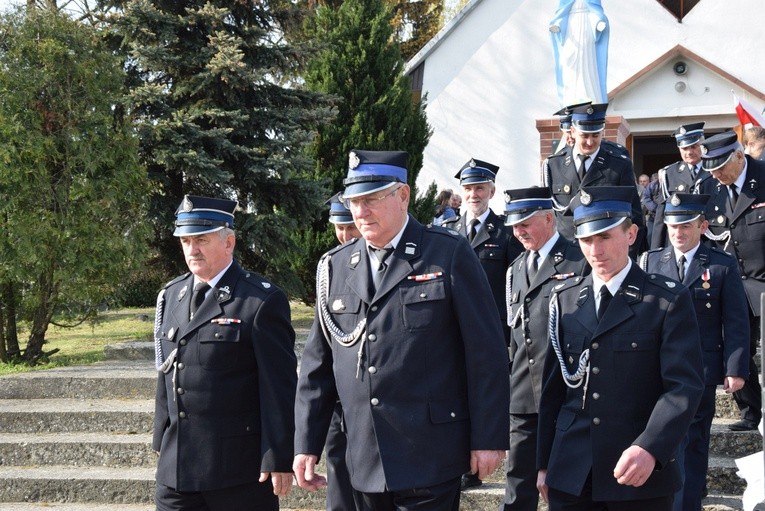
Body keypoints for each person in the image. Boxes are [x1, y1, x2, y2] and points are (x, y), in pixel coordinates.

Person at [294, 150, 510, 511]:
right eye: (354, 202)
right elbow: (318, 366)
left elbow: (485, 352)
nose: (360, 212)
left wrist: (488, 438)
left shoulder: (446, 253)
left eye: (371, 200)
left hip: (429, 451)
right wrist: (305, 443)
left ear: (403, 196)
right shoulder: (336, 267)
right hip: (360, 451)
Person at [536, 186, 704, 510]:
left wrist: (651, 447)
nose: (595, 250)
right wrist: (544, 463)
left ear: (631, 234)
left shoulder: (666, 300)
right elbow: (553, 391)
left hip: (638, 471)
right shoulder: (565, 298)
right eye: (586, 240)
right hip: (571, 472)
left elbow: (683, 387)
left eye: (605, 237)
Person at [152, 195, 297, 511]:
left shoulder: (259, 301)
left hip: (238, 472)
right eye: (186, 240)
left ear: (228, 241)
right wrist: (160, 440)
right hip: (176, 470)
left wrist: (278, 455)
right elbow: (165, 372)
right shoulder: (171, 296)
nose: (192, 249)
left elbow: (279, 388)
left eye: (201, 239)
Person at [639, 193, 749, 511]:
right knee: (665, 438)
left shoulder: (720, 265)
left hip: (700, 368)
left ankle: (686, 503)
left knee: (693, 440)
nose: (678, 232)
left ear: (702, 226)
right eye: (673, 225)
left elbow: (736, 321)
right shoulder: (651, 261)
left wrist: (735, 367)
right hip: (658, 368)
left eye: (685, 226)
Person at [501, 187, 589, 511]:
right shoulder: (515, 269)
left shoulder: (579, 260)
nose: (518, 231)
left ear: (549, 218)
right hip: (524, 398)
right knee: (517, 490)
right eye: (514, 225)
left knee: (564, 492)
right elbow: (512, 337)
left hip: (566, 394)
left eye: (525, 223)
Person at [442, 158, 523, 491]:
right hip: (452, 332)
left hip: (492, 331)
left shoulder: (505, 233)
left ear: (491, 191)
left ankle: (485, 464)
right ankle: (461, 465)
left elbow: (517, 283)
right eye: (469, 188)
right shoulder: (446, 233)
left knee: (486, 397)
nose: (474, 194)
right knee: (456, 398)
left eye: (480, 188)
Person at [700, 131, 765, 431]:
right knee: (735, 349)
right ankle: (751, 411)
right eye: (710, 168)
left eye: (720, 167)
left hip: (763, 282)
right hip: (734, 285)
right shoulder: (711, 190)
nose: (716, 174)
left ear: (739, 156)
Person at [543, 103, 646, 257]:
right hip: (567, 256)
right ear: (572, 131)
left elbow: (634, 216)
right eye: (584, 136)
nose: (590, 142)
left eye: (595, 135)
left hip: (606, 254)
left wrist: (625, 256)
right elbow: (549, 216)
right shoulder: (554, 165)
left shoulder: (618, 164)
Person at [323, 193, 364, 511]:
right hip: (340, 394)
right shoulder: (331, 266)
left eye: (351, 228)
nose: (346, 236)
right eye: (340, 228)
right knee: (339, 470)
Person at [649, 122, 714, 249]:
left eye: (694, 146)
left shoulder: (715, 169)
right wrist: (656, 250)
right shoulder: (669, 173)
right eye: (684, 148)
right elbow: (661, 216)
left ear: (703, 144)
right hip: (679, 243)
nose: (689, 152)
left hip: (710, 240)